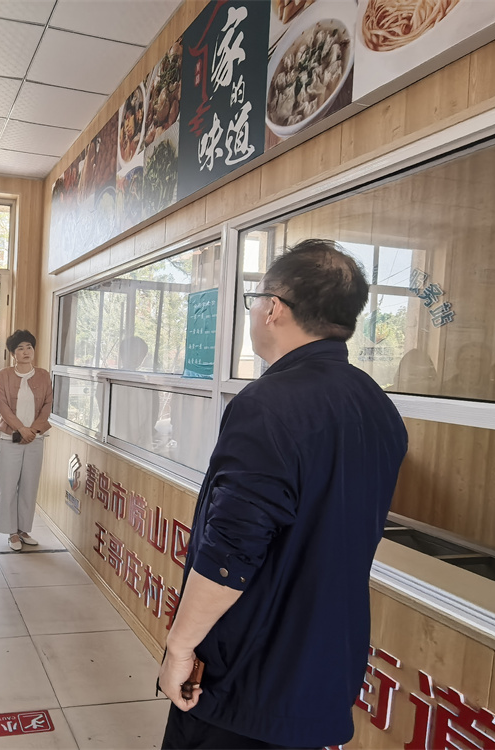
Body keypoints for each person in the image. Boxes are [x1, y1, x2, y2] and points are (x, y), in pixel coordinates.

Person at [158, 239, 408, 750]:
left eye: (255, 299)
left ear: (273, 308)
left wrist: (180, 646)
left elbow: (231, 552)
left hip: (247, 680)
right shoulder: (377, 407)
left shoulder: (268, 404)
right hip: (323, 670)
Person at [0, 330, 52, 551]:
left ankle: (24, 529)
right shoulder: (5, 375)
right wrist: (20, 428)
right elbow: (2, 405)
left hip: (35, 438)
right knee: (8, 485)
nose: (26, 351)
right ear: (13, 354)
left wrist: (33, 430)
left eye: (29, 347)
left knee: (29, 485)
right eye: (20, 348)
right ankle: (11, 533)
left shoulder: (43, 375)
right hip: (9, 437)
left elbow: (47, 405)